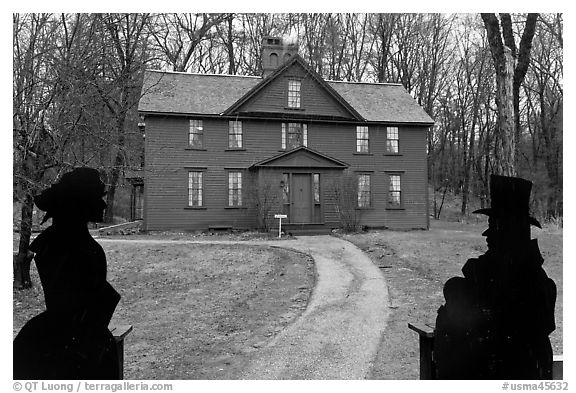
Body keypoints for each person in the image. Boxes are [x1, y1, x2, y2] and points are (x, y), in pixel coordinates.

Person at [434, 175, 557, 379]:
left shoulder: (523, 281)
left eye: (494, 225)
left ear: (510, 231)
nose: (487, 234)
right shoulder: (509, 274)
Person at [13, 167, 121, 380]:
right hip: (71, 344)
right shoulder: (75, 248)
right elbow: (71, 301)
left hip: (78, 338)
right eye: (94, 200)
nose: (102, 206)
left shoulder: (68, 246)